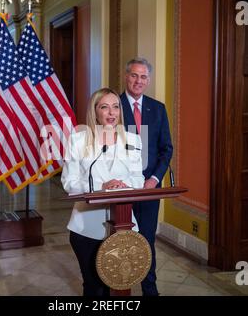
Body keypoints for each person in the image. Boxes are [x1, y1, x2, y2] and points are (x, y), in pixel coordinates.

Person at [61, 88, 145, 296]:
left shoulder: (133, 140)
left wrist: (120, 186)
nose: (111, 112)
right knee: (95, 287)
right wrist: (101, 189)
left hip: (124, 226)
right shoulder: (78, 140)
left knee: (120, 283)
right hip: (86, 227)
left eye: (115, 107)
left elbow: (138, 180)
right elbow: (69, 183)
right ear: (95, 111)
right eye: (104, 107)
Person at [120, 58, 173, 296]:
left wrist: (154, 179)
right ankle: (118, 288)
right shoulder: (113, 105)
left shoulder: (157, 108)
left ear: (148, 81)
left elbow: (166, 149)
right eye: (134, 75)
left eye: (143, 77)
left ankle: (150, 290)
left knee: (146, 239)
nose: (138, 81)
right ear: (126, 76)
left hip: (149, 187)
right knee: (120, 239)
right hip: (121, 187)